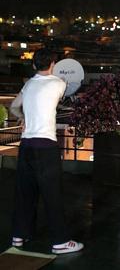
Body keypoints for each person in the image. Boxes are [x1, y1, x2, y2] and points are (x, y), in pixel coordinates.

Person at [10, 48, 84, 254]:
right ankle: (60, 241)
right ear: (52, 64)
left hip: (26, 146)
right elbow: (65, 93)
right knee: (52, 195)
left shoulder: (28, 84)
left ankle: (19, 234)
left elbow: (14, 107)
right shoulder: (59, 83)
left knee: (25, 193)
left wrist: (23, 118)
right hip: (46, 147)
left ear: (33, 65)